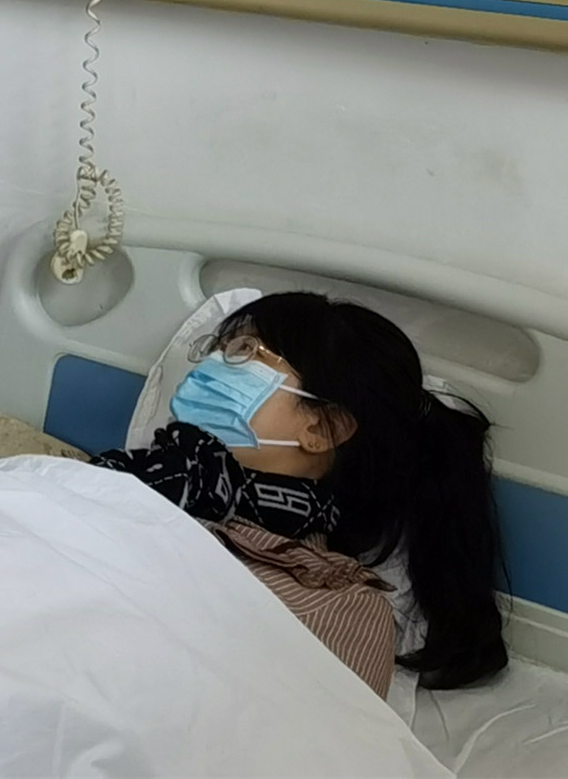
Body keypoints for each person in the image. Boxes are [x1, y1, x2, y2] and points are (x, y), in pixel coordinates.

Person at [93, 291, 505, 692]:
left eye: (245, 352)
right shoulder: (122, 478)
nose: (212, 366)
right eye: (218, 348)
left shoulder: (339, 609)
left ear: (322, 428)